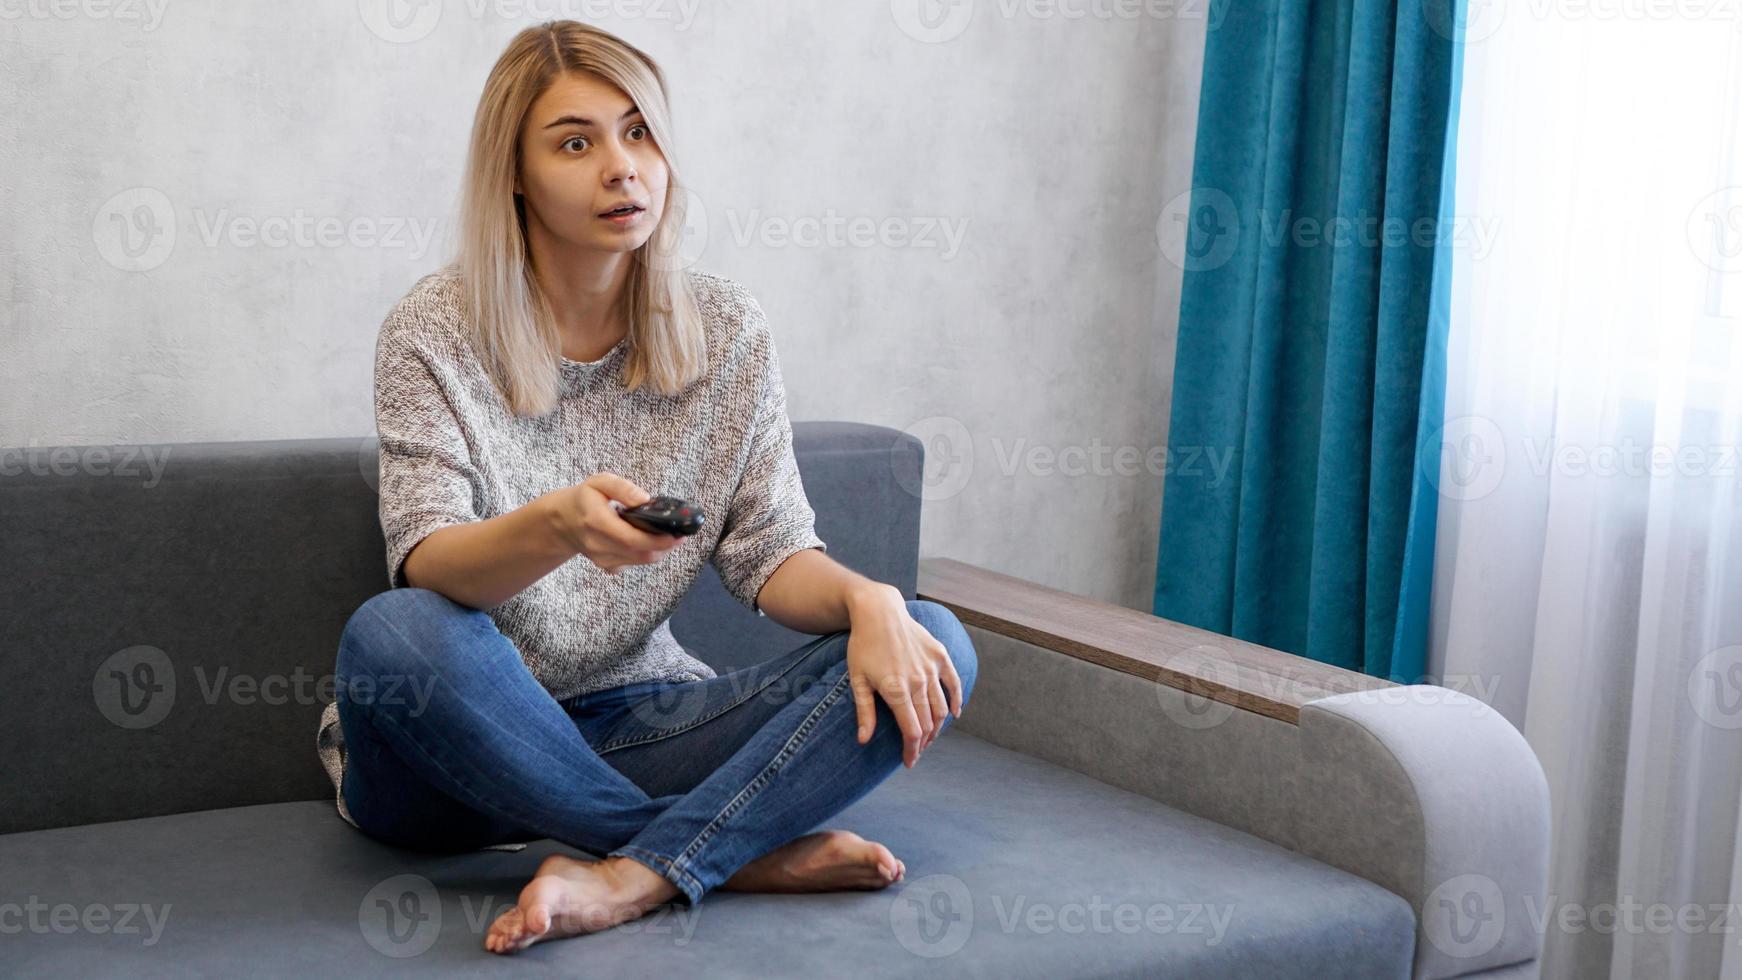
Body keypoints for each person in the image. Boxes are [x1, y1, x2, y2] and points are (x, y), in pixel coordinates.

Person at [313, 19, 979, 956]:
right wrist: (556, 527)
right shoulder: (433, 327)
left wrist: (869, 600)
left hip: (635, 721)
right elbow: (426, 563)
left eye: (639, 132)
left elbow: (773, 554)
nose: (622, 168)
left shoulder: (726, 329)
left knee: (934, 636)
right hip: (445, 754)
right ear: (514, 171)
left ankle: (634, 873)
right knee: (392, 632)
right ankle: (727, 852)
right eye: (576, 142)